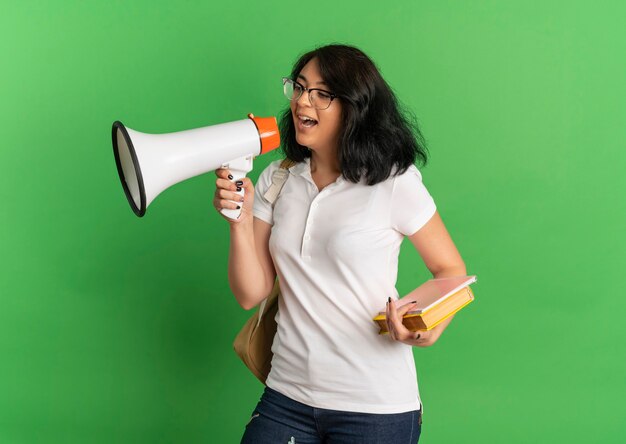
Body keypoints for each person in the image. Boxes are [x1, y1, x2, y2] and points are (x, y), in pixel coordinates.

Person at [213, 44, 466, 444]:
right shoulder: (278, 180)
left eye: (321, 93)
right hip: (286, 396)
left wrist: (426, 328)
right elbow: (251, 293)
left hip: (375, 408)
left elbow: (450, 270)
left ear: (355, 108)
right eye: (298, 88)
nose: (302, 101)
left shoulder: (393, 182)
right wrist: (240, 223)